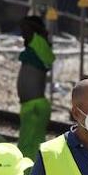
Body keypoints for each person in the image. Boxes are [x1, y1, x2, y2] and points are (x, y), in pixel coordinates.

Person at [16, 15, 54, 159]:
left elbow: (36, 35)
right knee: (29, 145)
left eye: (25, 29)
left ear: (34, 30)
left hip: (35, 107)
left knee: (28, 147)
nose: (22, 33)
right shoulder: (35, 48)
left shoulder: (39, 44)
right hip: (30, 106)